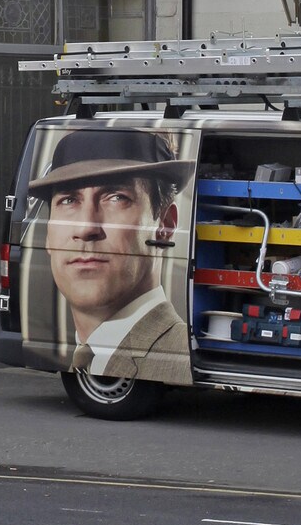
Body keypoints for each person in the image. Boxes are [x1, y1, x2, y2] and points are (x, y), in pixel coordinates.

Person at [30, 126, 195, 386]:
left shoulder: (181, 361)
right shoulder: (84, 355)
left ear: (165, 226)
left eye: (116, 198)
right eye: (68, 201)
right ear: (48, 235)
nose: (86, 228)